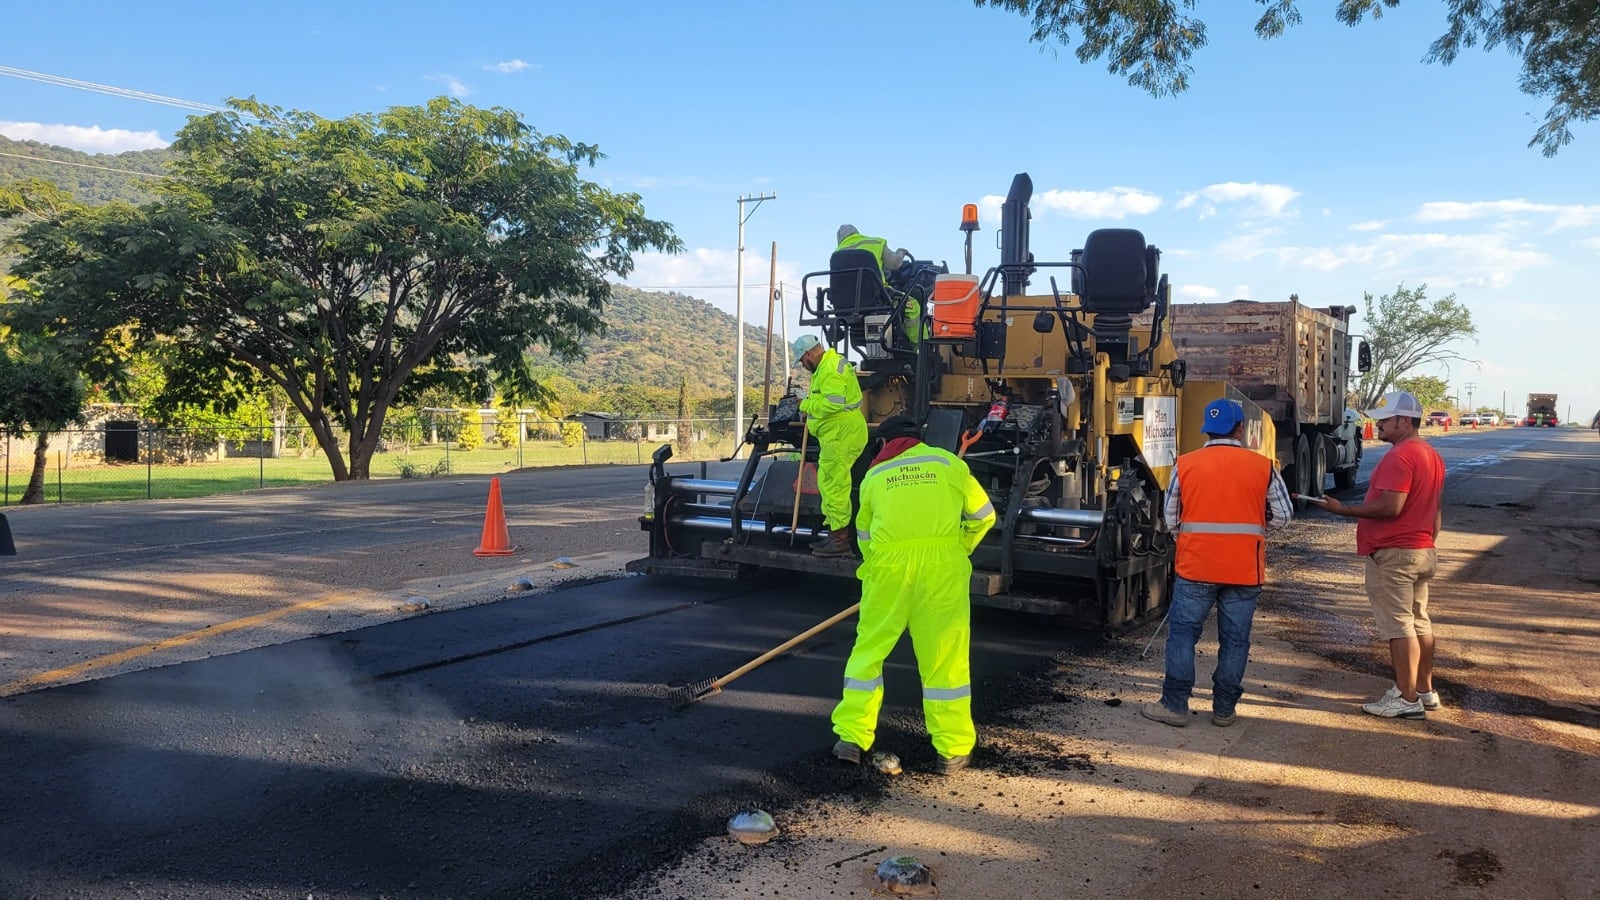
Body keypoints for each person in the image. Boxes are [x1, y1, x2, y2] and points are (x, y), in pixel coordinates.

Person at [831, 415, 996, 774]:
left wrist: (880, 572)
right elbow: (984, 516)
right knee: (945, 659)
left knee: (869, 652)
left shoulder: (875, 477)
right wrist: (956, 549)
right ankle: (951, 750)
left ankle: (852, 738)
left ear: (883, 445)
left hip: (889, 570)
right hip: (943, 570)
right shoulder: (949, 464)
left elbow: (864, 537)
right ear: (918, 439)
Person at [1141, 398, 1293, 728]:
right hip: (1243, 569)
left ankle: (1175, 706)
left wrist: (1188, 537)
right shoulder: (1263, 466)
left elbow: (1170, 517)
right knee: (1235, 640)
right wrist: (1255, 529)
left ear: (1206, 431)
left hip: (1196, 567)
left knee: (1183, 636)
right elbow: (1283, 515)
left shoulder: (1186, 464)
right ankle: (1224, 709)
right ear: (1240, 429)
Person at [1318, 390, 1446, 719]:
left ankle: (1406, 699)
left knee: (1399, 626)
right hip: (1420, 550)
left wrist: (1343, 509)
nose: (1381, 426)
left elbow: (1392, 506)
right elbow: (1434, 512)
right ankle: (1423, 690)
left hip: (1395, 554)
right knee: (1419, 622)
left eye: (1386, 420)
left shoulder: (1399, 456)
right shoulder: (1430, 454)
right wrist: (1423, 541)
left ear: (1404, 421)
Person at [792, 333, 869, 558]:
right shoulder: (828, 365)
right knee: (829, 482)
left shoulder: (828, 369)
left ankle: (840, 540)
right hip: (839, 433)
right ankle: (835, 534)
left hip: (840, 434)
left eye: (803, 362)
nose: (804, 367)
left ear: (809, 354)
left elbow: (833, 404)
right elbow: (828, 399)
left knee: (835, 485)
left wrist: (804, 404)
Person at [836, 225, 920, 345]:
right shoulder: (874, 243)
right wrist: (901, 252)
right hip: (877, 299)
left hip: (846, 306)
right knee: (913, 305)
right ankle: (918, 348)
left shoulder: (837, 253)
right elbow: (895, 263)